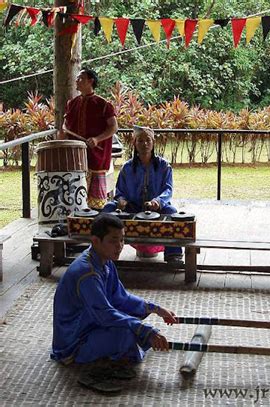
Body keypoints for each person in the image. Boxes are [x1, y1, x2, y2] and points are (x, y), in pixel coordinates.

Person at [51, 214, 177, 393]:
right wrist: (143, 330)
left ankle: (119, 351)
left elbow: (120, 298)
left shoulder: (104, 262)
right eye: (113, 241)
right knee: (128, 333)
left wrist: (156, 309)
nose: (120, 246)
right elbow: (105, 314)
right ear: (95, 241)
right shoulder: (87, 273)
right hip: (74, 341)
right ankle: (105, 359)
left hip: (90, 323)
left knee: (132, 321)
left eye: (122, 240)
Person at [103, 126, 184, 265]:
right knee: (108, 208)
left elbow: (168, 190)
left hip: (156, 208)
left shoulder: (164, 166)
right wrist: (121, 200)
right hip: (132, 208)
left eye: (148, 140)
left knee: (171, 212)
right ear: (134, 143)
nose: (144, 144)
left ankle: (173, 254)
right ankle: (103, 251)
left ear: (153, 143)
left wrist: (157, 201)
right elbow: (120, 191)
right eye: (140, 140)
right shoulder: (127, 167)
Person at [58, 68, 118, 210]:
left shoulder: (104, 105)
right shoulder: (72, 104)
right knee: (74, 197)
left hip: (96, 155)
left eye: (80, 78)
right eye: (77, 78)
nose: (77, 81)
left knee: (95, 203)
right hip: (75, 155)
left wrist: (97, 139)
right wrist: (62, 138)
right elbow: (65, 126)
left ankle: (96, 222)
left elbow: (113, 127)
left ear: (90, 81)